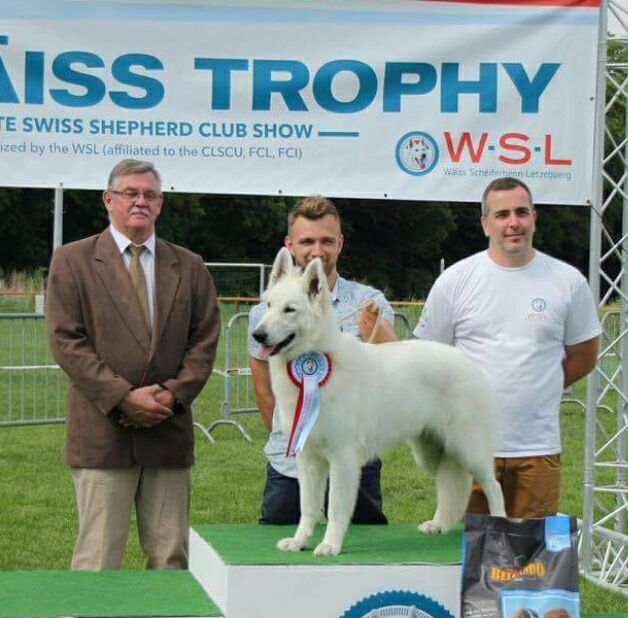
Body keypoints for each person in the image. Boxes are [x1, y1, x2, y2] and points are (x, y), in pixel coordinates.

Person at [46, 159, 220, 570]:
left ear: (160, 204)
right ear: (108, 200)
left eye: (150, 194)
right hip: (103, 435)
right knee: (97, 562)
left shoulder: (190, 266)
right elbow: (66, 340)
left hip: (168, 430)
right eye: (130, 193)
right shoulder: (72, 261)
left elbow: (204, 341)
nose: (140, 201)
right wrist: (123, 397)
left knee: (171, 560)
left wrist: (171, 396)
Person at [414, 177, 600, 518]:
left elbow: (585, 355)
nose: (513, 222)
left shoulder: (567, 281)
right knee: (468, 557)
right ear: (486, 224)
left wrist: (538, 387)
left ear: (534, 218)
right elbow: (428, 360)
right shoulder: (455, 281)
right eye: (501, 215)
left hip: (537, 448)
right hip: (468, 449)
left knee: (531, 561)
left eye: (521, 212)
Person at [248, 195, 397, 525]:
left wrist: (378, 329)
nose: (318, 249)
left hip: (357, 460)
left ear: (340, 243)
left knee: (362, 562)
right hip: (289, 465)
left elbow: (393, 366)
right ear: (290, 244)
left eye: (327, 240)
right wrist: (300, 435)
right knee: (280, 567)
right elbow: (265, 392)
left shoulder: (369, 301)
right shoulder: (265, 313)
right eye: (307, 241)